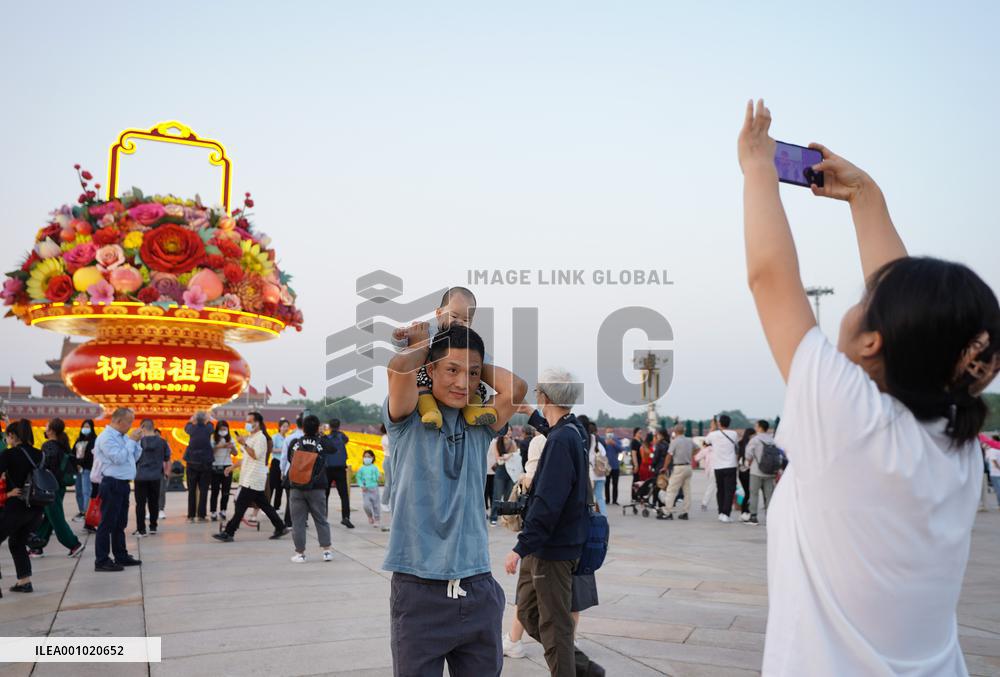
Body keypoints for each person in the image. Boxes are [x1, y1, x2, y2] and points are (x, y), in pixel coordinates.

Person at [739, 99, 1000, 675]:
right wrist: (865, 197)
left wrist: (758, 166)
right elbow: (916, 319)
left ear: (874, 343)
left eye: (864, 300)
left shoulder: (851, 419)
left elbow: (770, 279)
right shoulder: (953, 440)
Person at [384, 322, 525, 677]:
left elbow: (517, 388)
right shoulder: (408, 417)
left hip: (477, 587)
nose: (463, 383)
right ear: (429, 369)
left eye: (473, 374)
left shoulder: (480, 424)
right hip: (419, 591)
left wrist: (464, 347)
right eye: (451, 370)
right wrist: (429, 343)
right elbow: (400, 369)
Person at [504, 370, 603, 677]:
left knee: (554, 625)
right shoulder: (573, 430)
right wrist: (532, 413)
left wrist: (520, 547)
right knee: (531, 614)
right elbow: (553, 426)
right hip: (549, 544)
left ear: (545, 395)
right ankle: (587, 671)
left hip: (553, 548)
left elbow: (548, 502)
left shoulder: (561, 440)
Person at [392, 286, 498, 429]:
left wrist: (477, 370)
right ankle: (431, 411)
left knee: (475, 385)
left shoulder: (468, 341)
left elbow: (481, 363)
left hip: (457, 385)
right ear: (439, 313)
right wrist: (400, 337)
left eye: (466, 319)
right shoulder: (429, 332)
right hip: (427, 377)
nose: (459, 322)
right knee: (420, 386)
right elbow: (403, 351)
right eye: (454, 316)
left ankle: (473, 411)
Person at [213, 412, 288, 543]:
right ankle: (280, 526)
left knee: (241, 505)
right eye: (246, 421)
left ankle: (229, 532)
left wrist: (244, 444)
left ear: (257, 423)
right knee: (264, 505)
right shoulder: (251, 437)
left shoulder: (261, 438)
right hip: (249, 477)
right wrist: (232, 467)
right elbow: (246, 458)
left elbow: (256, 455)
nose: (247, 424)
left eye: (250, 421)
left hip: (253, 478)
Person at [93, 408, 143, 572]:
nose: (130, 425)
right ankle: (101, 560)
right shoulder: (107, 438)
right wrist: (130, 442)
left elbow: (132, 458)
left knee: (120, 523)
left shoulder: (121, 438)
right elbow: (119, 458)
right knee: (107, 523)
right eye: (129, 422)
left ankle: (121, 555)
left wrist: (136, 442)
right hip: (112, 483)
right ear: (118, 420)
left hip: (122, 484)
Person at [0, 419, 47, 593]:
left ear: (12, 435)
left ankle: (22, 581)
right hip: (36, 509)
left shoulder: (9, 454)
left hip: (15, 506)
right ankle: (24, 581)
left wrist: (7, 492)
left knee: (15, 541)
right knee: (17, 542)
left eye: (7, 436)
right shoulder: (40, 454)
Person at [31, 418, 85, 558]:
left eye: (47, 427)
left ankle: (73, 544)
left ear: (52, 431)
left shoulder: (49, 446)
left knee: (56, 518)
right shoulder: (62, 445)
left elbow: (44, 467)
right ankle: (36, 547)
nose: (45, 429)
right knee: (49, 518)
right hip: (59, 486)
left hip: (49, 487)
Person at [285, 415, 333, 563]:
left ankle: (300, 554)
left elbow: (289, 459)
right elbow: (333, 449)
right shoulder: (322, 442)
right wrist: (322, 435)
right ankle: (326, 551)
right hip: (317, 487)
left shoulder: (295, 442)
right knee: (320, 519)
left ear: (303, 427)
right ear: (318, 427)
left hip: (296, 487)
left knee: (298, 522)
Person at [132, 419, 170, 536]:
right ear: (153, 427)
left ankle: (141, 529)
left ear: (142, 427)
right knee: (154, 502)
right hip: (155, 476)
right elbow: (167, 457)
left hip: (140, 476)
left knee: (140, 503)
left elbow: (133, 457)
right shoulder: (162, 442)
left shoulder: (138, 442)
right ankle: (153, 526)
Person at [319, 418, 353, 529]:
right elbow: (346, 440)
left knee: (325, 495)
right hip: (340, 469)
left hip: (327, 469)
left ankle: (324, 517)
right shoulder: (342, 436)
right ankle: (346, 517)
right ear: (339, 426)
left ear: (329, 426)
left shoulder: (326, 438)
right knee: (344, 495)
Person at [705, 415, 739, 522]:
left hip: (718, 466)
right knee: (729, 490)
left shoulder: (713, 434)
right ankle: (726, 513)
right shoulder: (734, 434)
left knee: (720, 490)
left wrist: (713, 428)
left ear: (719, 423)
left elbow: (705, 442)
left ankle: (720, 512)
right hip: (730, 465)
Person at [657, 424, 695, 520]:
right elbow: (698, 448)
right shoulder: (689, 440)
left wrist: (665, 467)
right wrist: (691, 456)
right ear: (684, 431)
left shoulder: (675, 442)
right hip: (688, 467)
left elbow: (669, 455)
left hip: (679, 467)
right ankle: (685, 512)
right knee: (687, 490)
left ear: (675, 431)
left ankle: (667, 512)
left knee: (671, 489)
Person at [183, 411, 215, 522]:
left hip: (191, 462)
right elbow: (211, 423)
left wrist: (192, 419)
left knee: (192, 490)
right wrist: (208, 418)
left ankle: (191, 515)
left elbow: (186, 426)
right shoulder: (209, 428)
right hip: (206, 462)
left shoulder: (191, 428)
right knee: (204, 490)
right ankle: (201, 515)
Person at [744, 420, 776, 525]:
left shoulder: (755, 439)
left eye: (756, 425)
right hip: (770, 472)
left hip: (756, 471)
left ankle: (753, 517)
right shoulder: (772, 439)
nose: (755, 427)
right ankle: (770, 517)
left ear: (760, 427)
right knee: (769, 495)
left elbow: (748, 455)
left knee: (754, 494)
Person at [70, 419, 97, 521]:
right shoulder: (79, 440)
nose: (85, 429)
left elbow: (91, 456)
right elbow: (72, 453)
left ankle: (87, 512)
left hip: (87, 469)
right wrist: (76, 464)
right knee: (79, 491)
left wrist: (80, 463)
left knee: (86, 491)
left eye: (87, 427)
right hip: (77, 470)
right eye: (84, 426)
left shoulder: (94, 440)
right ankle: (81, 511)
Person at [488, 430, 517, 525]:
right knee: (497, 495)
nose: (508, 433)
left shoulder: (513, 442)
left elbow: (516, 455)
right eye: (507, 431)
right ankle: (493, 517)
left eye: (509, 431)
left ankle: (506, 518)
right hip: (500, 471)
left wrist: (508, 456)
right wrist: (508, 456)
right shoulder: (497, 442)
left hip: (511, 472)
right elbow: (497, 457)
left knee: (508, 497)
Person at [209, 420, 235, 522]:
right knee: (215, 491)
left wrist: (232, 447)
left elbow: (235, 453)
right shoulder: (213, 438)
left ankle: (223, 510)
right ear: (217, 430)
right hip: (215, 466)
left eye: (225, 429)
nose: (223, 431)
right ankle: (213, 511)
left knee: (226, 490)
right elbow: (210, 452)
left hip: (227, 466)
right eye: (221, 429)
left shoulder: (230, 438)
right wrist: (219, 446)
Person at [355, 449, 382, 529]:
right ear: (363, 458)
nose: (367, 458)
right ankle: (370, 516)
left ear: (372, 458)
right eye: (365, 457)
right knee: (366, 505)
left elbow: (378, 476)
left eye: (369, 457)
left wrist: (379, 477)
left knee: (376, 505)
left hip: (374, 489)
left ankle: (377, 519)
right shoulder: (361, 468)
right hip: (365, 490)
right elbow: (358, 478)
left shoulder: (375, 468)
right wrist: (361, 485)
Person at [268, 418, 290, 511]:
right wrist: (282, 450)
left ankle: (277, 507)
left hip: (284, 463)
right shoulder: (275, 437)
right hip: (276, 462)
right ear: (279, 427)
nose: (286, 428)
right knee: (271, 485)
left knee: (280, 486)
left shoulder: (287, 438)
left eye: (287, 426)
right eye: (284, 426)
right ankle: (267, 507)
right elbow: (271, 449)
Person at [736, 427, 755, 521]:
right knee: (749, 493)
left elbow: (737, 458)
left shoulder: (740, 443)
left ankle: (744, 512)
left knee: (747, 493)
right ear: (751, 435)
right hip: (749, 471)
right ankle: (745, 512)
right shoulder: (751, 445)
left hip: (741, 472)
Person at [378, 423, 392, 530]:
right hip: (388, 460)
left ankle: (390, 502)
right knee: (389, 483)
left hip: (394, 460)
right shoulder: (385, 437)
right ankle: (384, 502)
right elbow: (391, 445)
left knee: (395, 483)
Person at [695, 439, 715, 511]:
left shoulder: (706, 450)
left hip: (712, 471)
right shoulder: (717, 448)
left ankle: (704, 503)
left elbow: (696, 458)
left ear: (705, 444)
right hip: (721, 469)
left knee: (711, 487)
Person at [603, 428, 621, 505]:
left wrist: (614, 444)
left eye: (611, 432)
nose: (609, 433)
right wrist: (605, 443)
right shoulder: (602, 440)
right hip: (606, 467)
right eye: (608, 432)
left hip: (615, 466)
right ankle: (607, 499)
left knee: (615, 484)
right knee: (606, 484)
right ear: (605, 433)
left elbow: (621, 449)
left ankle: (614, 500)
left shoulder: (616, 440)